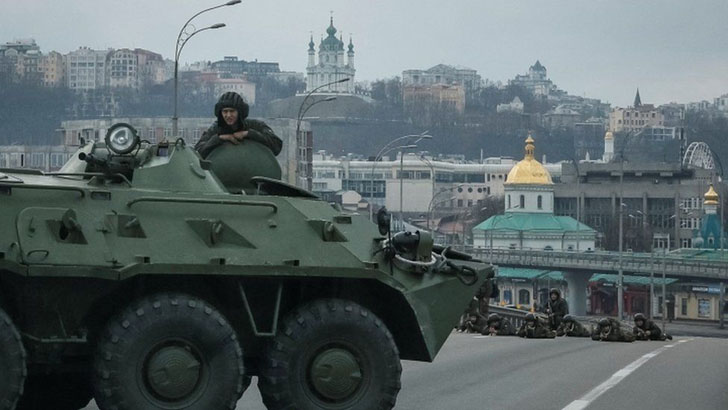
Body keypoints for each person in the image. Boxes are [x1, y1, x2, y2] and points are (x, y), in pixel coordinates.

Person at [195, 92, 282, 159]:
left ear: (239, 112)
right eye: (225, 111)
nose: (228, 115)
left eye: (232, 111)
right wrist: (220, 138)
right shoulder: (215, 129)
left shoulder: (255, 126)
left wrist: (249, 134)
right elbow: (197, 152)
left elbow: (276, 145)